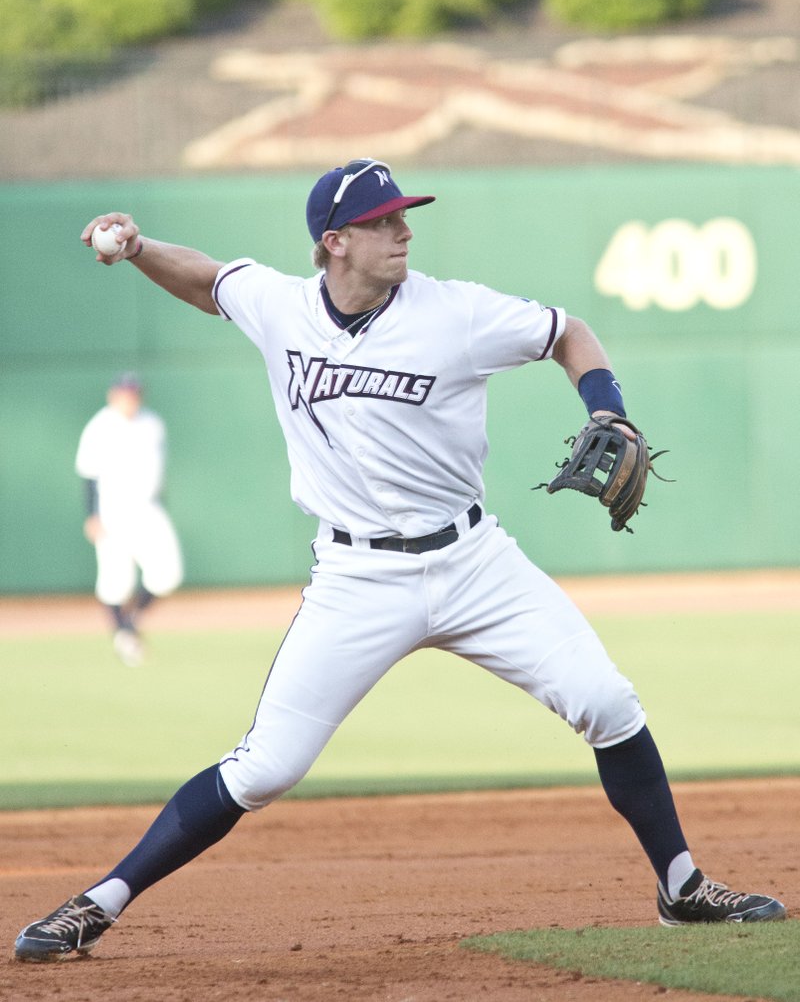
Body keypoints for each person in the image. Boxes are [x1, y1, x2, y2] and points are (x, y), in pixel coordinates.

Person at [14, 158, 784, 962]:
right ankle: (95, 903)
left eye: (402, 215)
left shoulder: (458, 313)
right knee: (265, 767)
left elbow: (568, 334)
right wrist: (139, 248)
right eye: (383, 221)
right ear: (335, 243)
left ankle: (682, 884)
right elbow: (209, 282)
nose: (403, 229)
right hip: (356, 578)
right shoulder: (280, 305)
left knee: (608, 701)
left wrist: (610, 411)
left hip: (476, 562)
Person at [75, 373, 184, 666]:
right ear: (113, 395)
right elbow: (88, 474)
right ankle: (123, 635)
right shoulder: (100, 426)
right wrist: (92, 515)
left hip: (149, 509)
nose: (130, 398)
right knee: (116, 582)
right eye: (124, 393)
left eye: (134, 393)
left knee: (167, 575)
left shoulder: (153, 423)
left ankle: (130, 622)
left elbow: (159, 474)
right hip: (112, 511)